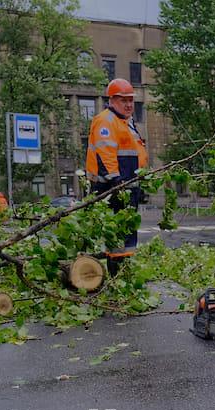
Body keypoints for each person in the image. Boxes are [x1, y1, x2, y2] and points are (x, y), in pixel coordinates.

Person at [85, 78, 148, 276]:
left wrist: (139, 184)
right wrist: (116, 181)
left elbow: (134, 154)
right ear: (112, 100)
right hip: (112, 188)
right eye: (123, 100)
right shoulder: (106, 121)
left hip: (127, 186)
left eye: (130, 100)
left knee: (127, 230)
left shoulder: (126, 122)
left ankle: (123, 272)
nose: (129, 104)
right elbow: (106, 154)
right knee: (117, 232)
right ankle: (116, 274)